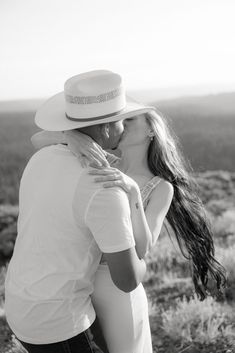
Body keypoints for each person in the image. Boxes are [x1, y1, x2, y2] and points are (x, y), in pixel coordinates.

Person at [31, 82, 227, 352]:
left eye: (129, 119)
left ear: (150, 131)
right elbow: (38, 140)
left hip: (117, 290)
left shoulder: (160, 187)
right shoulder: (104, 162)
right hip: (81, 286)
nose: (119, 124)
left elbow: (143, 248)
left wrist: (134, 194)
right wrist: (72, 135)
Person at [4, 70, 154, 353]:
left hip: (19, 303)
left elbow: (41, 139)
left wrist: (71, 134)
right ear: (107, 129)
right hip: (58, 321)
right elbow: (128, 280)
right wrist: (147, 263)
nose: (124, 127)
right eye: (121, 121)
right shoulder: (104, 185)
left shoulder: (41, 158)